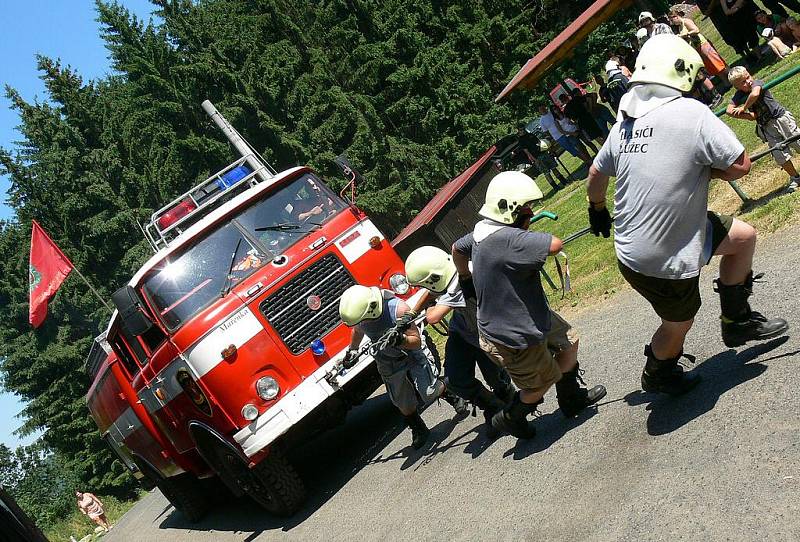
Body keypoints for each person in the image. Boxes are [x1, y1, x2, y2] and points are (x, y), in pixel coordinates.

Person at [586, 34, 789, 396]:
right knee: (678, 323)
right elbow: (740, 165)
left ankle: (737, 320)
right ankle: (659, 372)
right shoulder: (690, 113)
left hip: (642, 241)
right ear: (682, 72)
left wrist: (597, 208)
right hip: (658, 255)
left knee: (743, 237)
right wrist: (703, 168)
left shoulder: (624, 124)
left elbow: (596, 174)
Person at [451, 171, 607, 439]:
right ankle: (509, 417)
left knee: (568, 341)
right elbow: (555, 245)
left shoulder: (482, 232)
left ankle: (571, 400)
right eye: (525, 208)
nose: (530, 211)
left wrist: (465, 276)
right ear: (510, 210)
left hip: (528, 314)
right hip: (511, 334)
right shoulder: (508, 239)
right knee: (539, 384)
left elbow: (456, 248)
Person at [339, 285, 466, 449]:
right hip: (387, 358)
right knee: (401, 401)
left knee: (428, 392)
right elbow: (357, 331)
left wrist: (401, 340)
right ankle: (418, 428)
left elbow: (416, 342)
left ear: (371, 310)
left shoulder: (397, 309)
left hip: (412, 352)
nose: (361, 324)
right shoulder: (361, 317)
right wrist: (352, 351)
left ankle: (448, 392)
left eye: (362, 321)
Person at [404, 246, 516, 423]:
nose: (423, 288)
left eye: (424, 283)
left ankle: (508, 399)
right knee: (454, 379)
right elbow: (430, 292)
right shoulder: (450, 271)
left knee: (495, 376)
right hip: (462, 332)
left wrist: (425, 308)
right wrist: (411, 312)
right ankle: (494, 408)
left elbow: (433, 316)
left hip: (482, 333)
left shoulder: (461, 281)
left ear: (434, 277)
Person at [727, 66, 800, 191]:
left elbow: (755, 94)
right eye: (743, 82)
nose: (748, 81)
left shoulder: (757, 83)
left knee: (797, 142)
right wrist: (745, 115)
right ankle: (795, 178)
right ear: (737, 87)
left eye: (748, 77)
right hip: (766, 126)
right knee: (779, 154)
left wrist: (743, 108)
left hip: (780, 120)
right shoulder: (739, 94)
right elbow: (729, 110)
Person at [669, 8, 729, 91]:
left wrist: (686, 34)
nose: (672, 22)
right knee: (712, 66)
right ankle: (726, 81)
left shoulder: (686, 21)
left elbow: (696, 30)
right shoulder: (680, 27)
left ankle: (731, 75)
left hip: (703, 45)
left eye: (672, 20)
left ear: (676, 16)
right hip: (697, 48)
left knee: (716, 62)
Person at [515, 124, 569, 191]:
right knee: (546, 173)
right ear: (518, 131)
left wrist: (548, 149)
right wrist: (534, 160)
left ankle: (564, 181)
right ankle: (555, 187)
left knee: (553, 168)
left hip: (543, 153)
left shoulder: (530, 135)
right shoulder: (521, 141)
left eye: (523, 129)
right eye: (521, 130)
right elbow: (527, 152)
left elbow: (540, 143)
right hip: (537, 157)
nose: (523, 130)